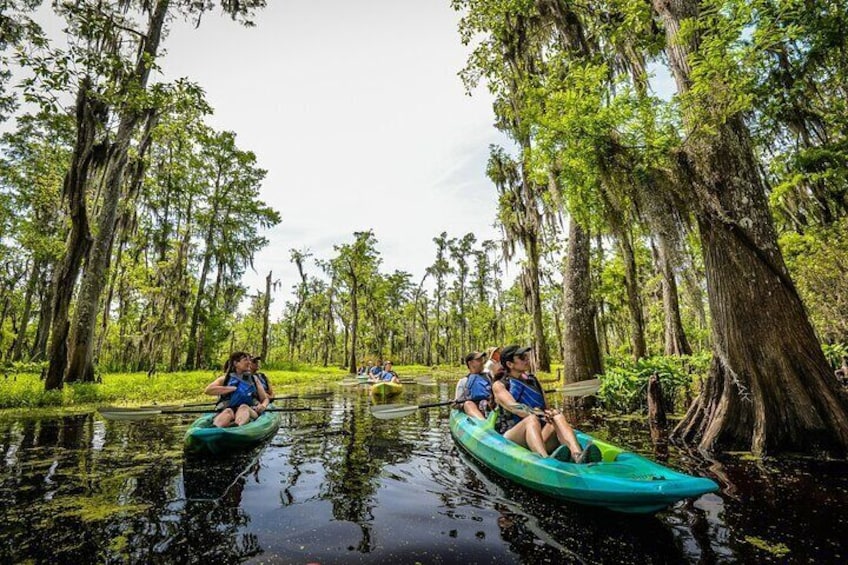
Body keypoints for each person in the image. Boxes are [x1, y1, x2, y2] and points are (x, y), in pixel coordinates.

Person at [492, 345, 600, 463]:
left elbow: (546, 407)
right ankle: (545, 461)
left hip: (536, 435)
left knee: (557, 416)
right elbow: (515, 408)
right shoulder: (500, 385)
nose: (527, 359)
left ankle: (577, 455)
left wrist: (550, 412)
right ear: (510, 364)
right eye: (522, 357)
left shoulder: (533, 381)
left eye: (526, 356)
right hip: (513, 436)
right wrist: (539, 413)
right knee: (531, 419)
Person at [204, 351, 270, 428]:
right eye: (245, 360)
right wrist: (232, 388)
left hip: (250, 409)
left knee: (243, 407)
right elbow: (208, 390)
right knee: (227, 411)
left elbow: (265, 399)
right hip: (229, 408)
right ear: (236, 363)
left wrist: (263, 406)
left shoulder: (253, 379)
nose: (249, 362)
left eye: (249, 360)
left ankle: (237, 427)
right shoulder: (225, 379)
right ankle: (215, 429)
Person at [455, 351, 493, 419]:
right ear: (470, 363)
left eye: (482, 359)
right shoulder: (463, 381)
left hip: (489, 404)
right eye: (478, 360)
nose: (482, 362)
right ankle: (483, 423)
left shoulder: (489, 377)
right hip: (474, 407)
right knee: (468, 404)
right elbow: (459, 403)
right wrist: (455, 404)